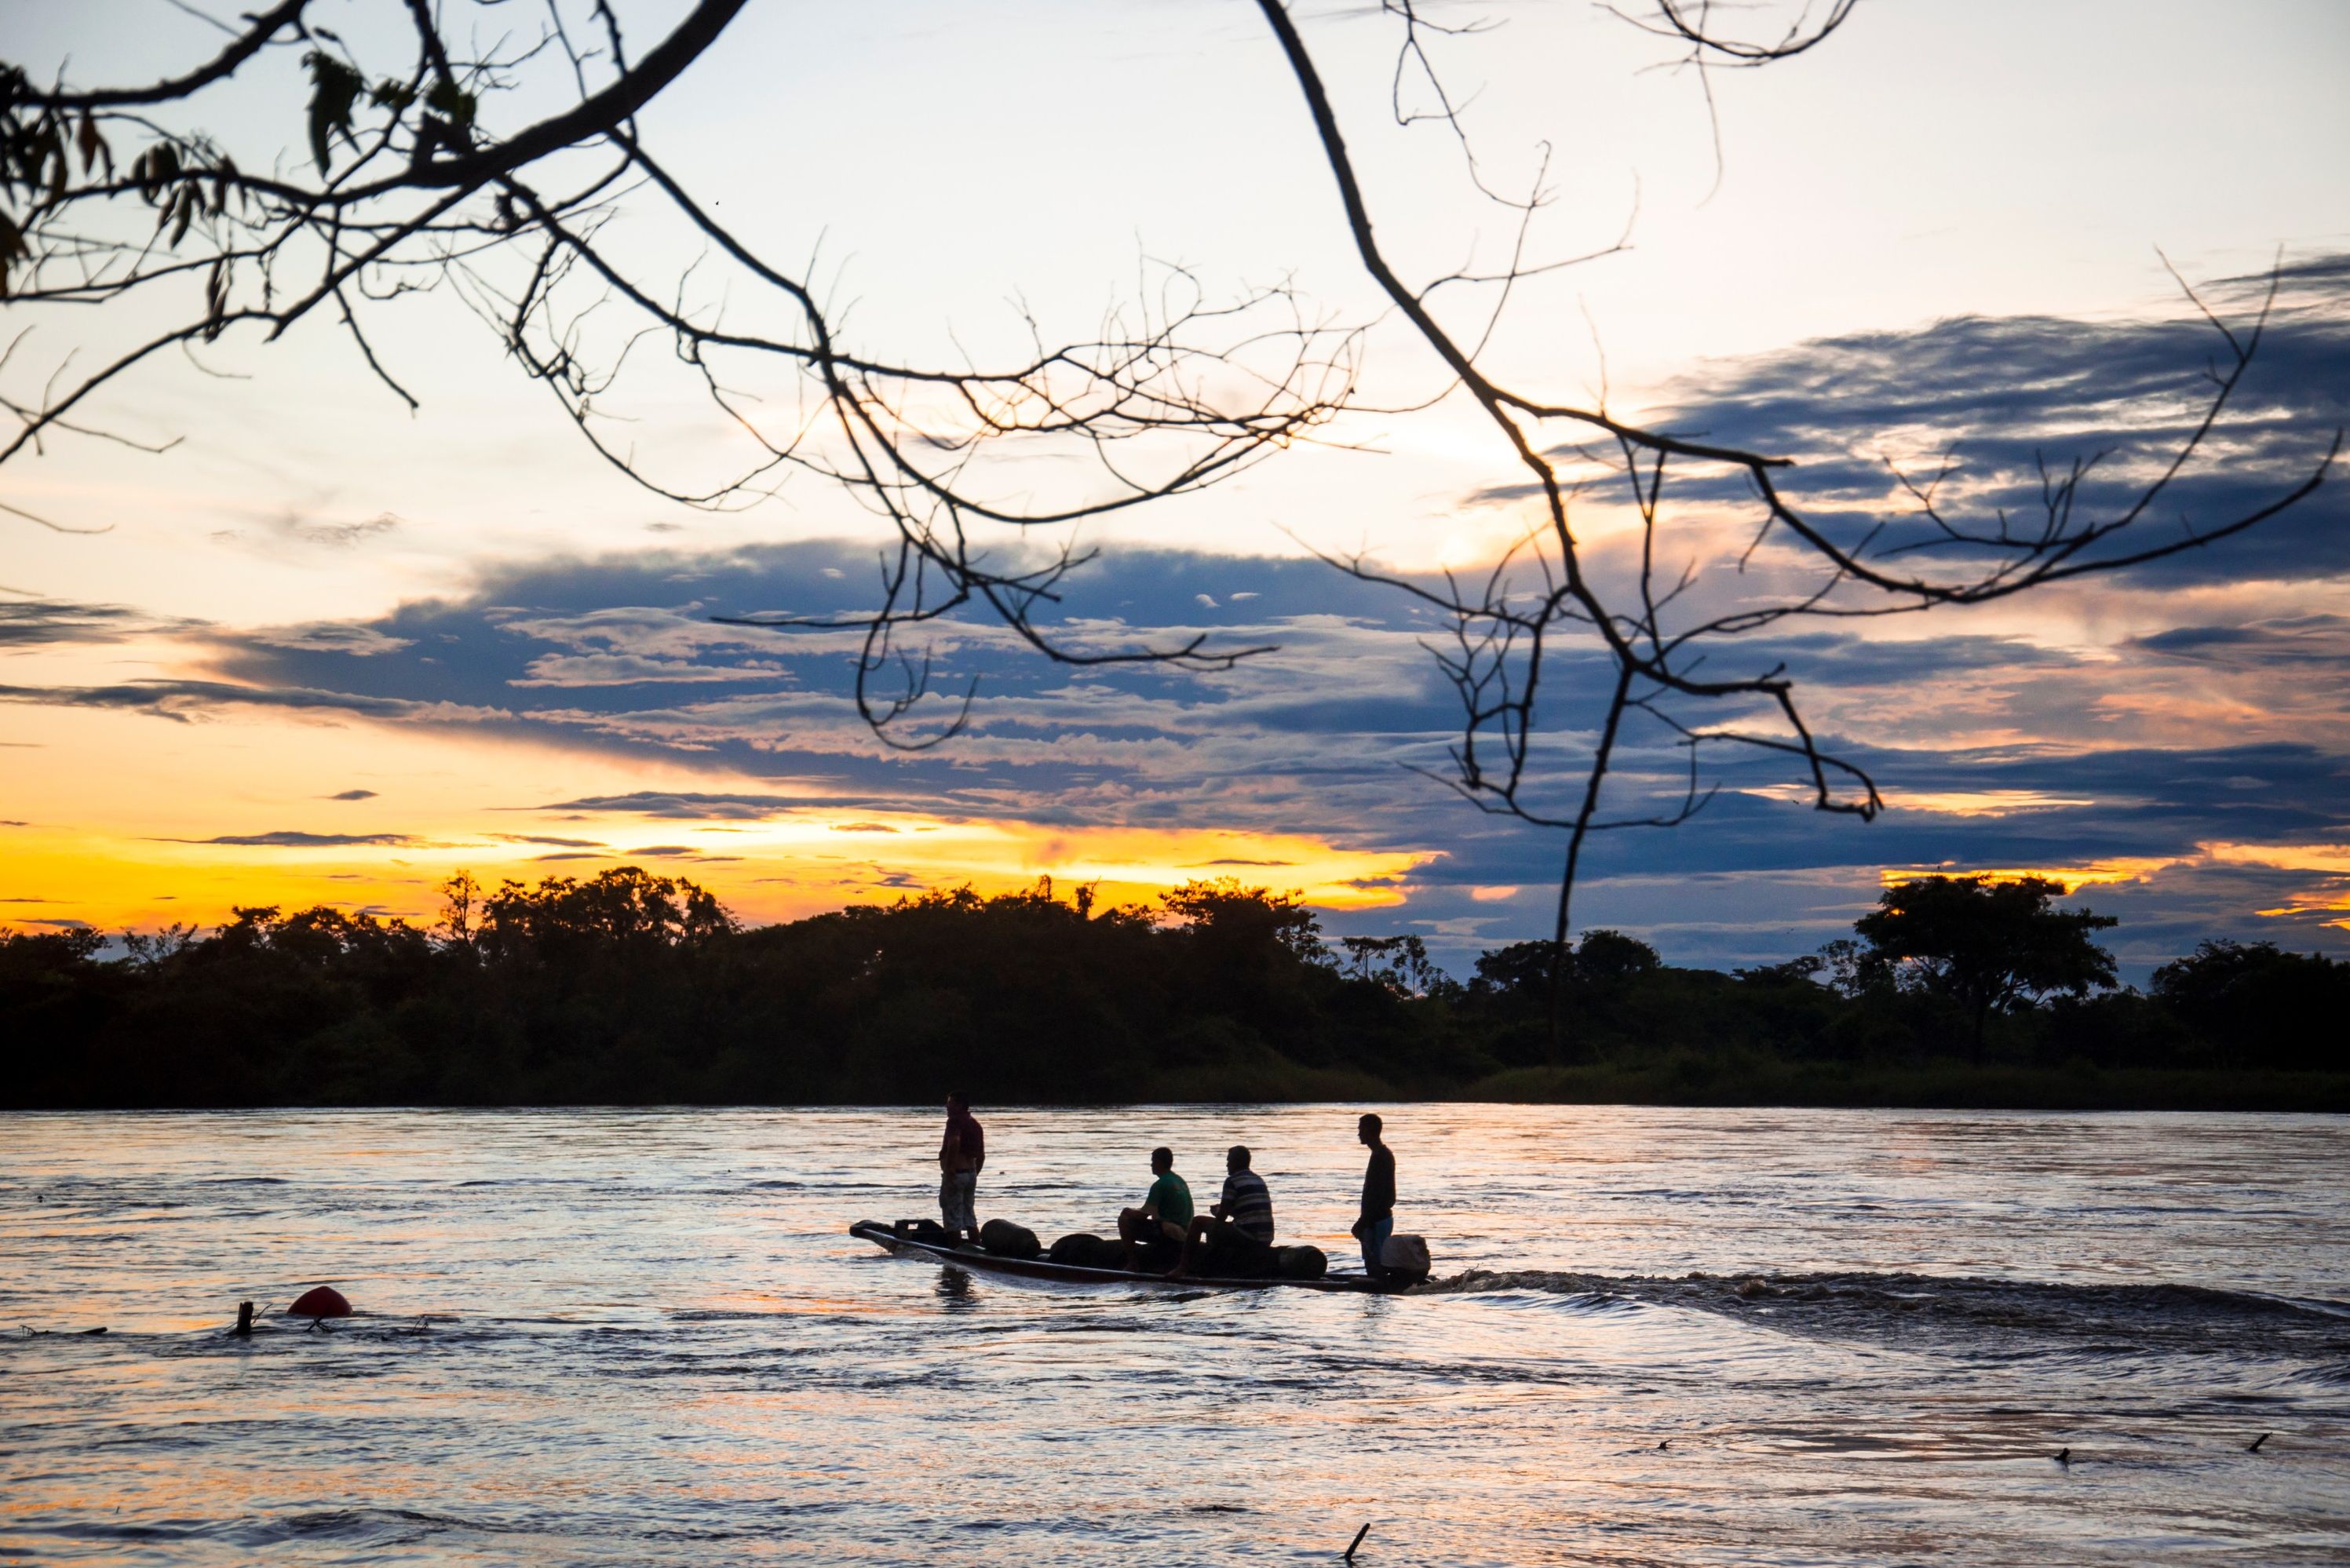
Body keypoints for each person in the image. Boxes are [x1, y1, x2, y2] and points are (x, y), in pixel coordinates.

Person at [1168, 1144, 1276, 1280]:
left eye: (1229, 1161)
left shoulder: (1232, 1181)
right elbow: (1246, 1212)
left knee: (1198, 1221)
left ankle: (1182, 1267)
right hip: (1266, 1238)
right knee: (1217, 1229)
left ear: (1236, 1162)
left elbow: (1221, 1218)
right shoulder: (1258, 1179)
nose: (1227, 1165)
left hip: (1249, 1237)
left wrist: (1217, 1212)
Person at [1116, 1146, 1193, 1271]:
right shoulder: (1179, 1181)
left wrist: (1127, 1210)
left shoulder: (1160, 1185)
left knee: (1124, 1220)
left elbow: (1142, 1215)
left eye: (1153, 1162)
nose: (1151, 1165)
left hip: (1171, 1231)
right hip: (1185, 1230)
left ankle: (1132, 1263)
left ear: (1159, 1163)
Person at [1349, 1112, 1395, 1281]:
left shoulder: (1381, 1156)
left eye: (1361, 1129)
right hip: (1376, 1219)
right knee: (1374, 1264)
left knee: (1375, 1266)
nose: (1359, 1133)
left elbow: (1380, 1196)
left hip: (1377, 1220)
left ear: (1369, 1130)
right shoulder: (1380, 1154)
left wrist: (1362, 1223)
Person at [938, 1094, 985, 1244]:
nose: (947, 1106)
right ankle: (976, 1246)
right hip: (970, 1174)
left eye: (950, 1103)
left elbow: (954, 1142)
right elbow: (982, 1155)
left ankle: (956, 1250)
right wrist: (975, 1174)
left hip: (956, 1174)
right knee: (969, 1215)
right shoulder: (975, 1124)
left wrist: (950, 1168)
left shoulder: (954, 1121)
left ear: (959, 1106)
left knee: (952, 1216)